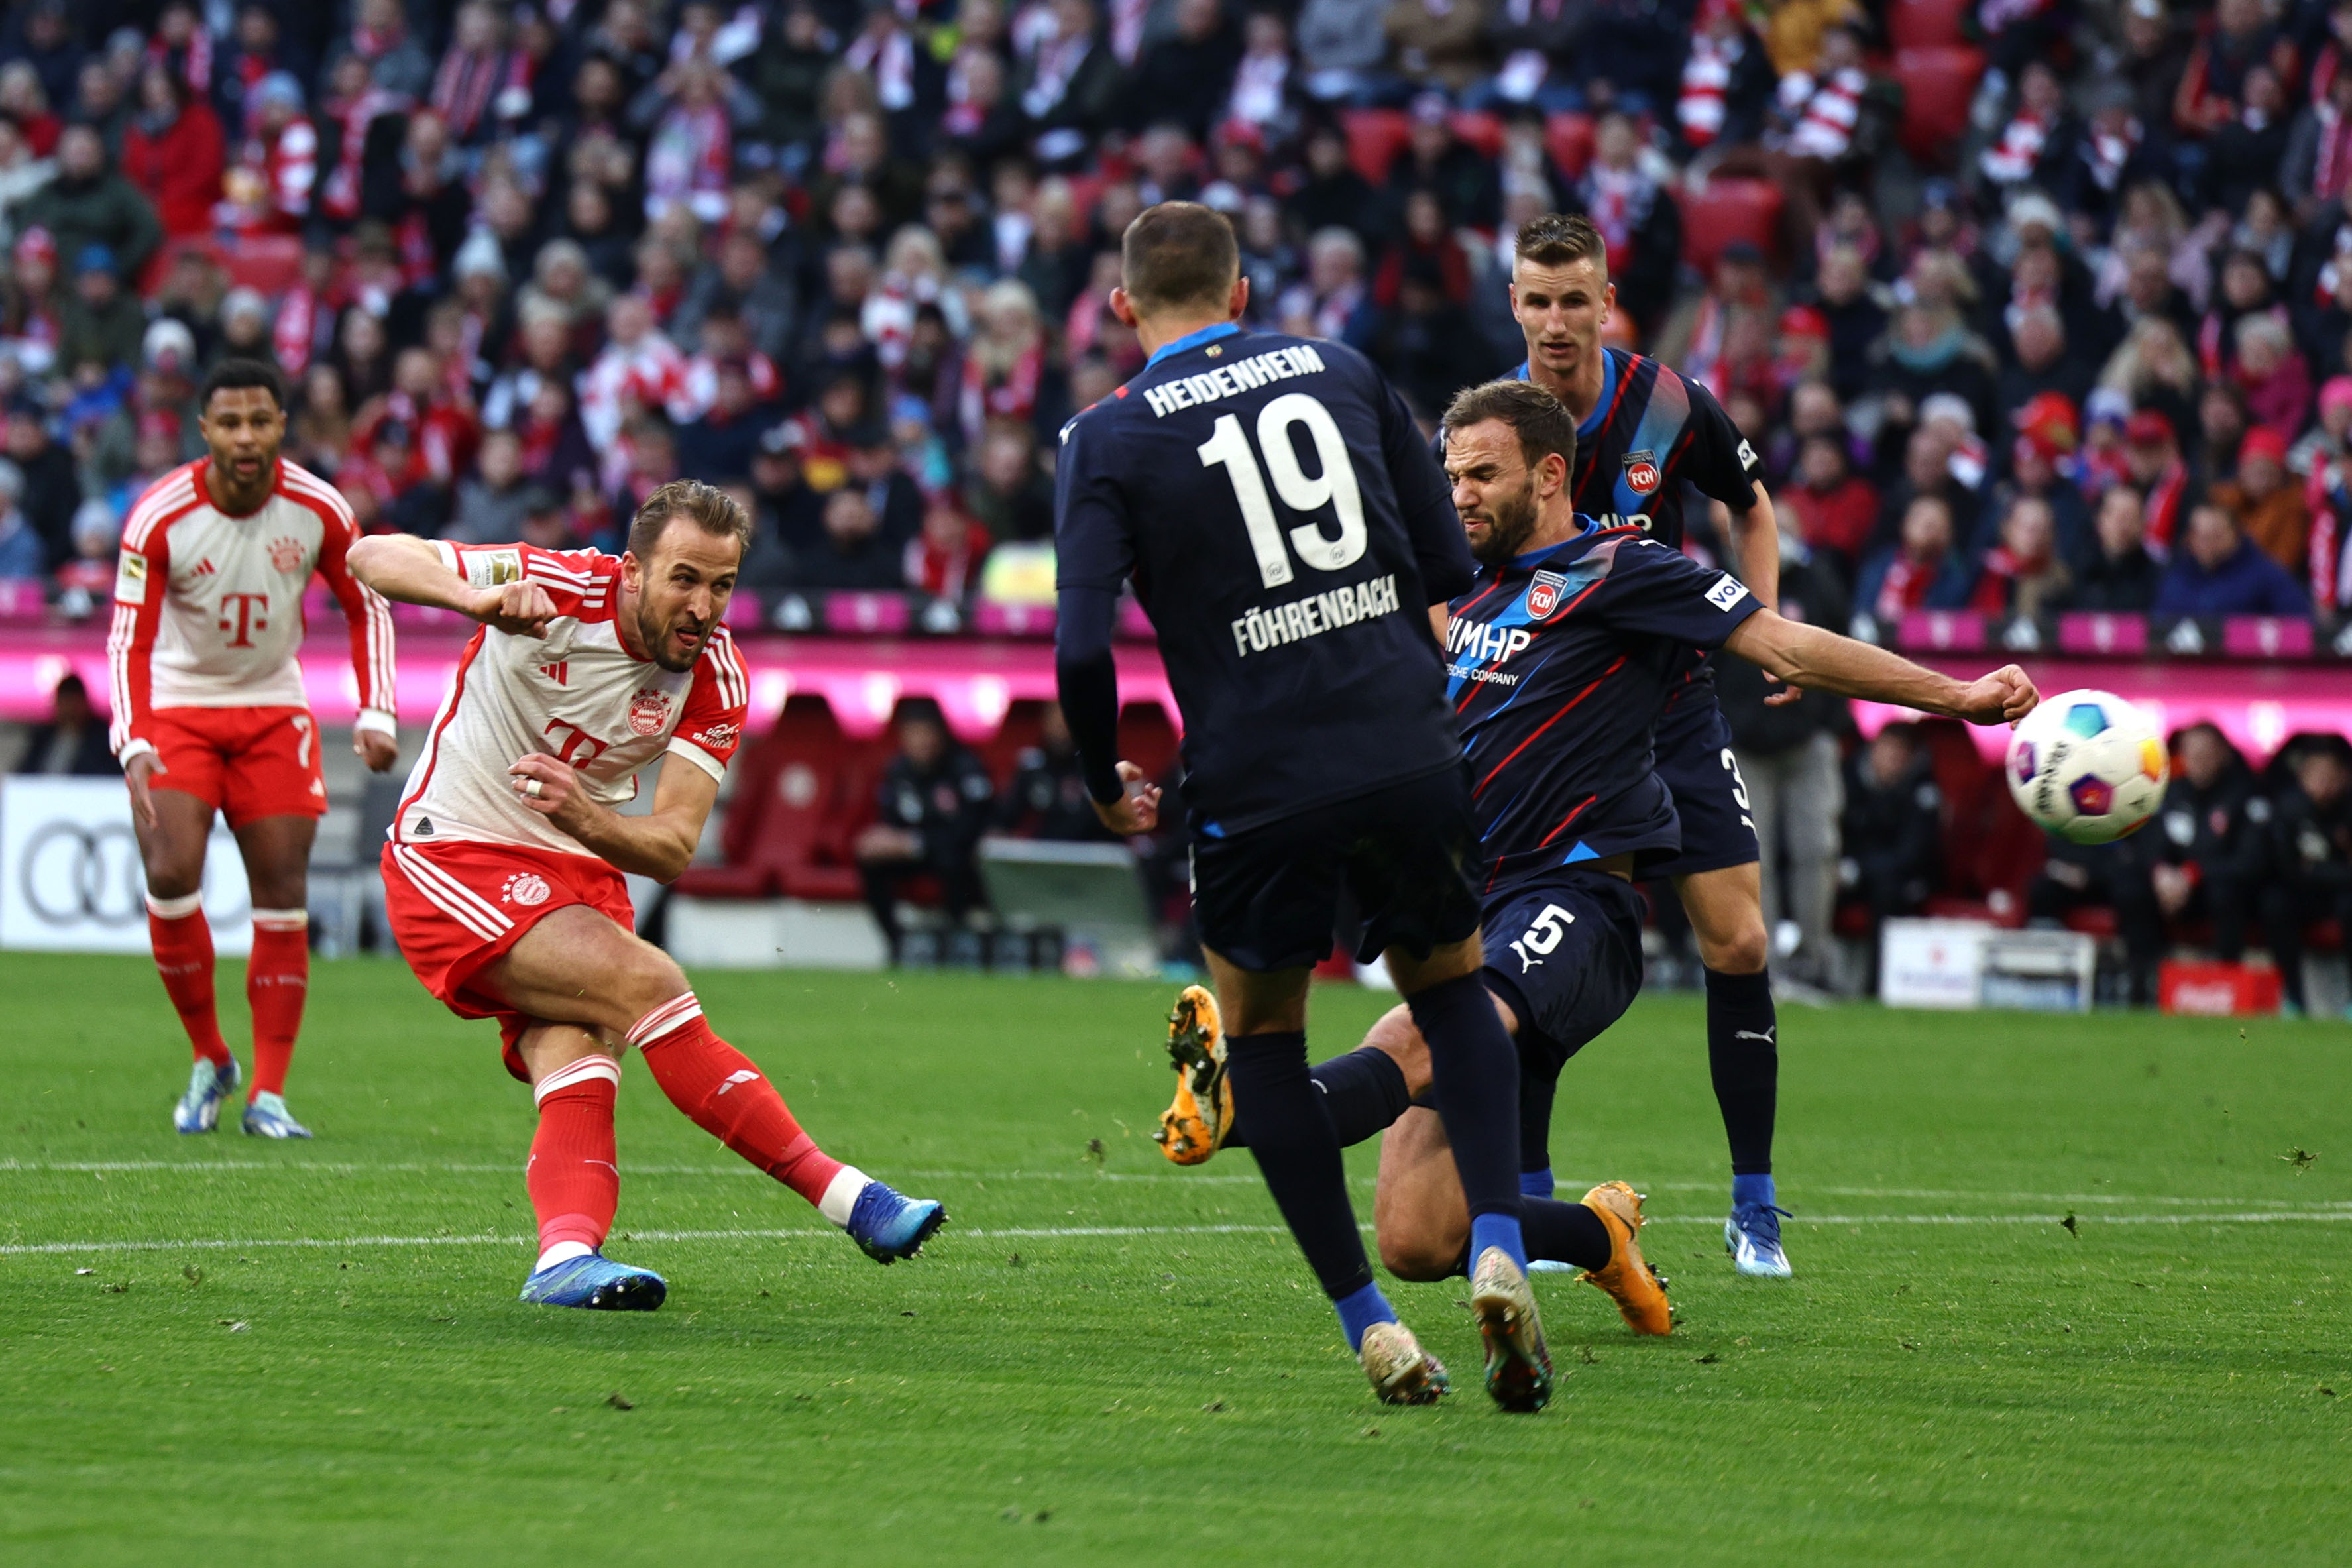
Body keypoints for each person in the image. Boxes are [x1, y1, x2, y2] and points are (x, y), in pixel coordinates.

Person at [1150, 379, 2036, 1319]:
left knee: (1412, 1036)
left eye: (1482, 475)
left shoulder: (1624, 568)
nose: (1460, 495)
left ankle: (1245, 1105)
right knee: (1416, 1240)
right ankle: (1599, 1236)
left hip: (1573, 905)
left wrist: (1958, 696)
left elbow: (1787, 648)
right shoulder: (1461, 590)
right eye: (1452, 477)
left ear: (1548, 475)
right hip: (1464, 908)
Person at [1054, 201, 1545, 1410]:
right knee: (1451, 991)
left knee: (1264, 1041)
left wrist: (1100, 776)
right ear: (1240, 292)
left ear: (1122, 309)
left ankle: (1370, 1322)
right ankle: (1495, 1239)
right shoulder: (1343, 369)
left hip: (1256, 776)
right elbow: (1448, 567)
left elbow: (1080, 647)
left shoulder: (1103, 435)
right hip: (1400, 740)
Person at [345, 481, 944, 1310]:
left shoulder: (716, 677)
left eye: (722, 585)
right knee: (652, 983)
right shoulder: (557, 586)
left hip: (577, 873)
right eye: (684, 579)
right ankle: (851, 1198)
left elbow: (670, 847)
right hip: (455, 855)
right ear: (632, 571)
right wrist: (475, 598)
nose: (703, 607)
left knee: (581, 1053)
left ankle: (564, 1256)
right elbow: (370, 555)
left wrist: (585, 816)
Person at [1447, 211, 1801, 1279]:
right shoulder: (1491, 428)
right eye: (1537, 300)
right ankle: (1535, 1195)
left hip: (1670, 702)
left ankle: (1754, 1205)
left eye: (1575, 300)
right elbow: (1443, 570)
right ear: (1514, 305)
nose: (1556, 321)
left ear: (1608, 303)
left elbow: (1750, 506)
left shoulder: (1670, 405)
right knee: (1527, 945)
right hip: (1544, 714)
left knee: (1739, 940)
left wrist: (1766, 626)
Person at [107, 359, 401, 1139]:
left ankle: (267, 1093)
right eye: (230, 422)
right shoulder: (159, 516)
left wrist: (377, 709)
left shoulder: (319, 507)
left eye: (260, 421)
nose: (246, 437)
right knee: (171, 873)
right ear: (204, 429)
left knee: (281, 890)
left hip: (273, 709)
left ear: (282, 426)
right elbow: (129, 639)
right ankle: (211, 1055)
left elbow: (366, 604)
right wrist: (133, 737)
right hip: (180, 706)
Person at [853, 699, 995, 962]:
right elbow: (892, 820)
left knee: (954, 862)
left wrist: (916, 842)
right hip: (916, 854)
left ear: (940, 733)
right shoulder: (898, 771)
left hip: (957, 854)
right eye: (913, 733)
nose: (920, 741)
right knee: (871, 861)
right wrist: (883, 840)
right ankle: (897, 943)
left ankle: (957, 943)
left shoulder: (965, 767)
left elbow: (970, 828)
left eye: (925, 732)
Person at [2257, 738, 2352, 1019]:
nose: (2324, 783)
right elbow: (2287, 869)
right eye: (2317, 774)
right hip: (2303, 894)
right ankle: (2294, 998)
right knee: (2275, 904)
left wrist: (2314, 870)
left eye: (2331, 775)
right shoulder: (2289, 809)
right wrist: (2330, 871)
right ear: (2303, 776)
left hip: (2342, 895)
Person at [2153, 500, 2313, 618]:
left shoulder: (2267, 576)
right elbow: (2157, 627)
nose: (2207, 544)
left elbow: (2301, 625)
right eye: (2200, 536)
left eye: (2216, 535)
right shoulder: (2176, 577)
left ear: (2235, 535)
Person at [11, 671, 117, 775]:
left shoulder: (104, 739)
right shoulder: (43, 737)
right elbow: (23, 774)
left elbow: (106, 775)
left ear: (84, 703)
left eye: (73, 703)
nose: (69, 710)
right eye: (64, 703)